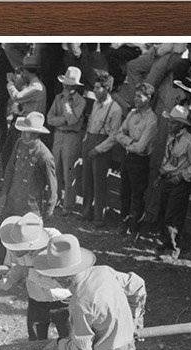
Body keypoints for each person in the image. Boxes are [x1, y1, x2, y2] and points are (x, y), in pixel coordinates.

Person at [32, 233, 145, 350]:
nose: (53, 279)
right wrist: (136, 319)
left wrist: (59, 346)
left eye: (53, 275)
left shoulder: (80, 302)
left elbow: (82, 349)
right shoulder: (104, 271)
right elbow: (138, 285)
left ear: (62, 277)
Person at [0, 213, 71, 350]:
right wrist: (9, 280)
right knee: (35, 346)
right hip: (37, 300)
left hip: (62, 302)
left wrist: (30, 272)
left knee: (71, 345)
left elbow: (54, 279)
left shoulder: (56, 242)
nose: (13, 251)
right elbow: (20, 266)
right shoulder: (18, 236)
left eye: (18, 248)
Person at [135, 103, 191, 255]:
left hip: (179, 183)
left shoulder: (189, 142)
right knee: (163, 213)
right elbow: (167, 159)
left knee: (173, 216)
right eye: (170, 121)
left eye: (173, 122)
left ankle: (173, 249)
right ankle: (164, 243)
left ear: (180, 124)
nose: (169, 124)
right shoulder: (171, 137)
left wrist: (180, 176)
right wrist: (161, 175)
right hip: (166, 179)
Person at [0, 110, 58, 261]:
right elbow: (10, 169)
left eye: (27, 132)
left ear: (35, 134)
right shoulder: (19, 144)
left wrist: (48, 210)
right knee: (2, 235)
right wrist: (4, 194)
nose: (23, 135)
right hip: (12, 201)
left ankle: (21, 273)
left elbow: (53, 186)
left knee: (26, 242)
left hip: (30, 207)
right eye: (23, 131)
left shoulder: (45, 156)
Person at [80, 72, 124, 226]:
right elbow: (90, 124)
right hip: (90, 140)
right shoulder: (95, 103)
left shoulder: (115, 109)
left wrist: (97, 149)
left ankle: (99, 216)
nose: (95, 90)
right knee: (87, 180)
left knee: (99, 183)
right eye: (94, 87)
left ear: (107, 89)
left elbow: (113, 137)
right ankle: (85, 212)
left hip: (102, 146)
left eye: (98, 88)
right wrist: (86, 142)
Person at [115, 82, 158, 232]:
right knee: (124, 192)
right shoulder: (132, 114)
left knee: (137, 195)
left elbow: (142, 147)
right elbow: (119, 134)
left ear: (149, 98)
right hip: (128, 158)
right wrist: (131, 142)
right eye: (135, 96)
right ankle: (123, 222)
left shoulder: (151, 120)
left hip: (140, 161)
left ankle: (134, 227)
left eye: (140, 96)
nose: (136, 99)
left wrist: (128, 142)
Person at [46, 66, 87, 215]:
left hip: (72, 136)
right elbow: (50, 119)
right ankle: (55, 199)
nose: (65, 86)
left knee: (69, 170)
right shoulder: (58, 98)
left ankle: (68, 205)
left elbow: (72, 120)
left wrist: (66, 110)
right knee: (55, 168)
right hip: (59, 135)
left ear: (74, 85)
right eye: (65, 83)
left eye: (68, 83)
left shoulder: (80, 101)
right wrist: (63, 120)